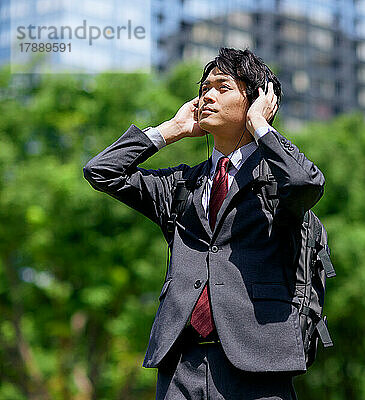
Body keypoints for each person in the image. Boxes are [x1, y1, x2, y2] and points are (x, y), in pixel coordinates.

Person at [83, 48, 325, 399]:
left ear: (258, 98)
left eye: (222, 87)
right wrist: (170, 130)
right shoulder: (180, 185)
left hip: (258, 359)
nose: (206, 95)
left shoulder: (276, 181)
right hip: (180, 362)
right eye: (204, 88)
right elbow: (101, 172)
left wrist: (260, 127)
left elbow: (306, 184)